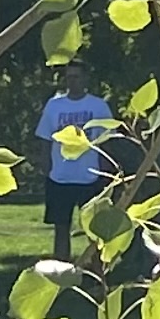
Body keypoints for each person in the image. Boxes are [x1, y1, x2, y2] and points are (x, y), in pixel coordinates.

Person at [34, 78, 114, 266]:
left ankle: (97, 273)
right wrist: (45, 162)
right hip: (60, 177)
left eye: (78, 76)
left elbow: (107, 140)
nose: (74, 81)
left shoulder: (98, 106)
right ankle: (61, 270)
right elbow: (45, 137)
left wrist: (106, 169)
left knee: (94, 230)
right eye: (70, 77)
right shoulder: (54, 106)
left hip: (90, 176)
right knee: (61, 228)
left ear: (85, 78)